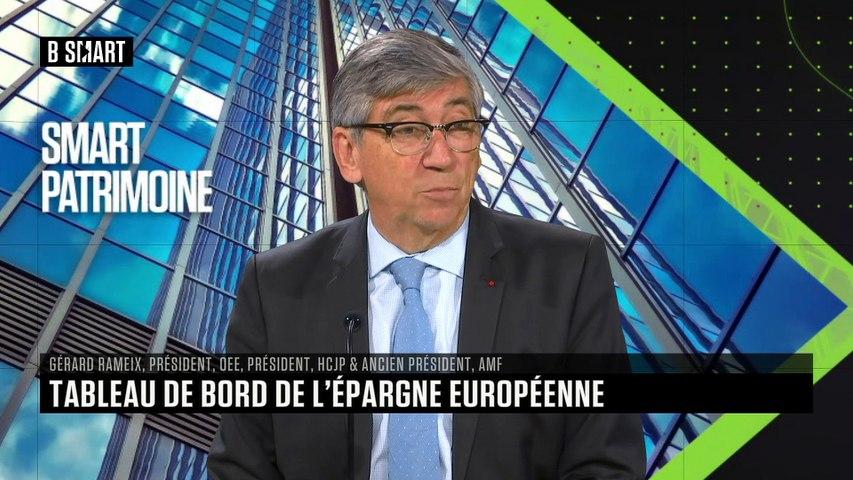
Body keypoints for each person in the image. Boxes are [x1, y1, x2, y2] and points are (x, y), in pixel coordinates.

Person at [208, 29, 644, 480]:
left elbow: (605, 464)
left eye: (459, 126)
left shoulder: (567, 271)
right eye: (409, 130)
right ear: (349, 152)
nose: (442, 156)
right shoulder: (276, 286)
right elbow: (242, 468)